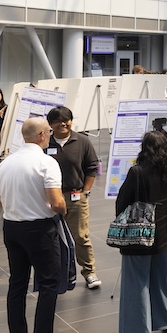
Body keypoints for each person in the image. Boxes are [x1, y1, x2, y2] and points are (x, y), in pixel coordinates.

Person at [0, 117, 68, 333]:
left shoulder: (5, 163)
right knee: (48, 284)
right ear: (42, 136)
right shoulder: (46, 162)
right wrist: (63, 209)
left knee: (17, 284)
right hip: (40, 229)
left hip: (12, 228)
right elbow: (56, 202)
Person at [115, 130, 167, 333]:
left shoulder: (137, 172)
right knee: (165, 277)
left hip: (141, 233)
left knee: (136, 282)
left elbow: (122, 201)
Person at [45, 106, 102, 289]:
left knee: (80, 236)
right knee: (49, 236)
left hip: (75, 197)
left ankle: (89, 271)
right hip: (49, 197)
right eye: (57, 121)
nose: (62, 123)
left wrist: (86, 191)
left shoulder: (82, 141)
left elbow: (92, 167)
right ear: (50, 124)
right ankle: (54, 272)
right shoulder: (45, 142)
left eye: (66, 120)